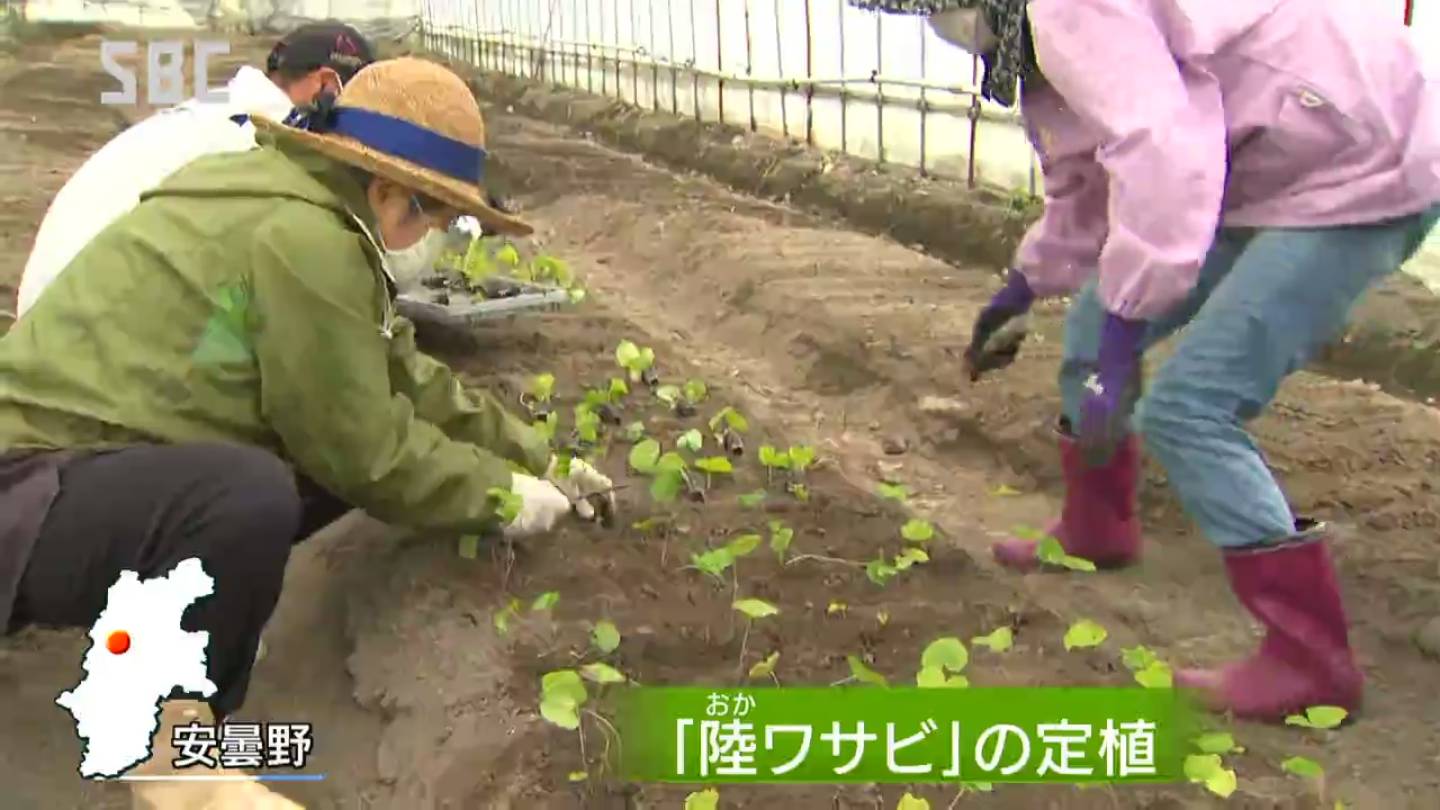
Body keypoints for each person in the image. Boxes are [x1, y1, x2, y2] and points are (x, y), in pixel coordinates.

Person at [0, 57, 614, 806]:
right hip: (26, 490)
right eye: (432, 211)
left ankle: (186, 620)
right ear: (385, 191)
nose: (436, 234)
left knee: (289, 470)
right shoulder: (306, 238)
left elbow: (404, 380)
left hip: (88, 468)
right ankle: (170, 758)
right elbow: (363, 448)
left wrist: (538, 455)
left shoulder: (293, 204)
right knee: (249, 494)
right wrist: (499, 498)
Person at [853, 0, 1440, 720]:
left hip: (1358, 155)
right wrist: (1025, 283)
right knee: (1093, 323)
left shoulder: (1064, 9)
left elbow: (1161, 153)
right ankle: (1098, 529)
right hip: (1264, 156)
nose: (940, 26)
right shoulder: (1031, 37)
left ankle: (1311, 659)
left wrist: (1126, 340)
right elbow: (1086, 171)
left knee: (1190, 406)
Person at [14, 21, 376, 318]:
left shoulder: (213, 117)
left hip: (54, 316)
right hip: (87, 331)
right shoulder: (257, 143)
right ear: (325, 86)